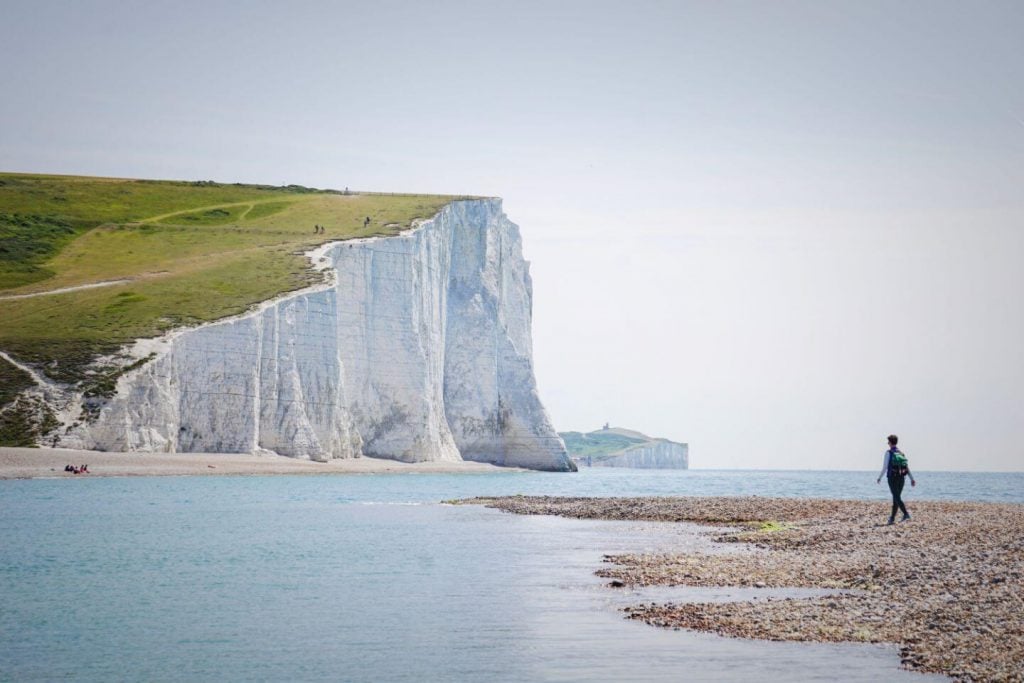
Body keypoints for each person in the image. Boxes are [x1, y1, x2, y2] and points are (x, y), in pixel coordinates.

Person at [877, 434, 915, 524]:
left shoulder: (888, 453)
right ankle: (892, 518)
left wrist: (879, 477)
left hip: (892, 478)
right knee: (896, 497)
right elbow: (906, 467)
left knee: (896, 497)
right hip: (902, 478)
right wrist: (911, 478)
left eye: (888, 442)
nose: (888, 443)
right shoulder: (901, 453)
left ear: (890, 442)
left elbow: (885, 467)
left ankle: (906, 514)